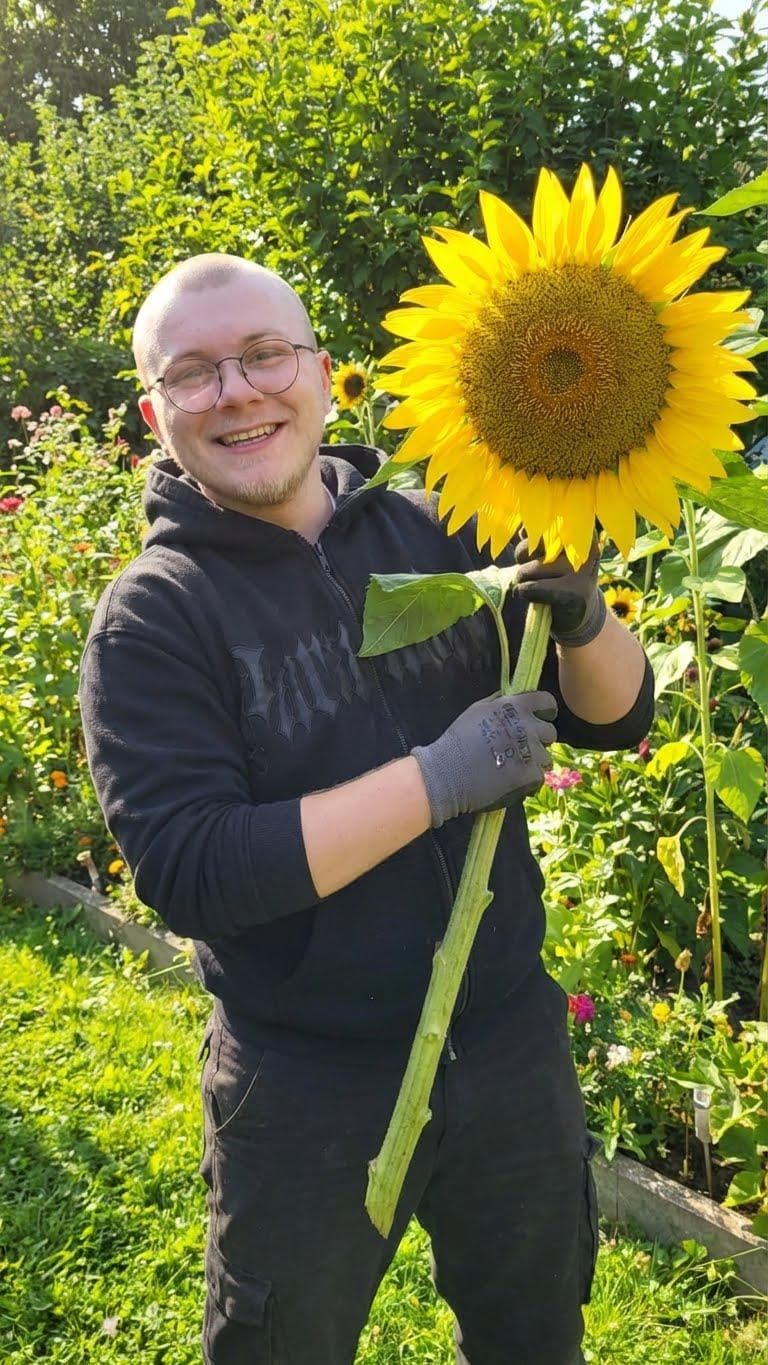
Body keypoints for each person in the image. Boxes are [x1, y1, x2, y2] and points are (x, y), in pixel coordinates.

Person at [79, 253, 654, 1365]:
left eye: (263, 355)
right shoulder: (155, 618)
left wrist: (583, 617)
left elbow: (617, 719)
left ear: (322, 373)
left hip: (504, 1045)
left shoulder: (448, 526)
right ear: (156, 413)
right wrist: (436, 782)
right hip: (306, 1084)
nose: (237, 391)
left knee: (535, 1331)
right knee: (282, 1342)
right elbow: (196, 868)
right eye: (193, 374)